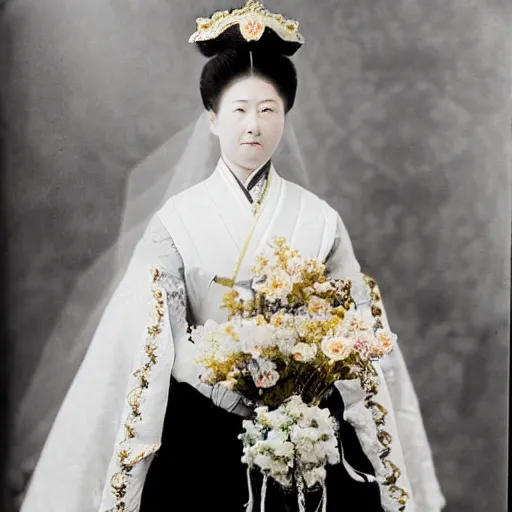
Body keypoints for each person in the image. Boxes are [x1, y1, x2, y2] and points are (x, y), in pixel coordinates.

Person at [19, 1, 446, 511]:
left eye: (268, 110)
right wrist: (224, 387)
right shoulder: (176, 221)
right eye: (239, 110)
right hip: (204, 418)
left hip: (300, 420)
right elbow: (163, 328)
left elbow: (346, 321)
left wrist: (298, 382)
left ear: (285, 117)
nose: (253, 126)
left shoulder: (319, 218)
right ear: (212, 120)